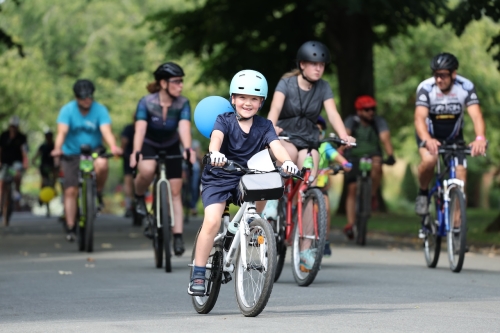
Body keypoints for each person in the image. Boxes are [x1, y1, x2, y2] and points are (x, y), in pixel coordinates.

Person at [188, 69, 298, 296]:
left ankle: (251, 233)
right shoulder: (224, 120)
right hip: (219, 176)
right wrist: (215, 153)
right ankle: (198, 272)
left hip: (247, 177)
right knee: (211, 221)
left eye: (254, 99)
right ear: (233, 99)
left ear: (261, 102)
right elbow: (216, 138)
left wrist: (287, 161)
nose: (247, 103)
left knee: (264, 189)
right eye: (242, 97)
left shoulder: (265, 126)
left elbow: (276, 147)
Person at [130, 62, 196, 256]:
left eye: (181, 81)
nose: (181, 85)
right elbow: (140, 128)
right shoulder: (146, 102)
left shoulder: (183, 102)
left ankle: (176, 236)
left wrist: (188, 149)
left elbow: (184, 128)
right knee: (148, 170)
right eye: (176, 81)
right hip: (149, 143)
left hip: (171, 144)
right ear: (163, 83)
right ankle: (139, 195)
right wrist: (136, 151)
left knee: (175, 191)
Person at [414, 53, 486, 223]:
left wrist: (480, 138)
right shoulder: (426, 88)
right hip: (428, 134)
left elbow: (476, 116)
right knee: (430, 160)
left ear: (454, 74)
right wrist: (427, 139)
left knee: (461, 176)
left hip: (453, 137)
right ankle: (423, 193)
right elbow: (419, 118)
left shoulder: (465, 87)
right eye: (436, 75)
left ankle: (457, 230)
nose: (439, 79)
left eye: (444, 75)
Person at [52, 79, 122, 241]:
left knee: (103, 163)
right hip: (72, 153)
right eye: (83, 97)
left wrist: (113, 147)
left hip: (94, 150)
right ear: (77, 97)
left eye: (89, 96)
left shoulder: (100, 110)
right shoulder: (67, 110)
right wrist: (57, 149)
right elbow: (62, 133)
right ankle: (70, 226)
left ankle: (97, 192)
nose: (87, 100)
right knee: (70, 190)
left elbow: (106, 131)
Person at [342, 95, 395, 239]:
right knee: (352, 189)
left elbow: (385, 138)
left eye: (373, 109)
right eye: (367, 109)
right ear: (359, 111)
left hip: (372, 154)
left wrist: (390, 155)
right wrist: (340, 153)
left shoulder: (378, 122)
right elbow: (345, 136)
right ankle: (351, 224)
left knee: (378, 164)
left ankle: (371, 195)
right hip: (354, 155)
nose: (371, 112)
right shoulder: (352, 121)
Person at [315, 116, 351, 256]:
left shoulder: (325, 146)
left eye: (319, 130)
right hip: (301, 184)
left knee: (326, 208)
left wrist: (345, 163)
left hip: (320, 185)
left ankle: (325, 240)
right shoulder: (302, 145)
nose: (316, 133)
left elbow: (336, 156)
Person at [0, 116, 28, 216]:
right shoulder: (4, 135)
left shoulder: (21, 137)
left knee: (17, 174)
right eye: (12, 126)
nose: (13, 128)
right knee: (2, 183)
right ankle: (0, 204)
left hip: (16, 163)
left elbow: (24, 151)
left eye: (15, 126)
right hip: (5, 163)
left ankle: (17, 192)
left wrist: (25, 162)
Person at [120, 117, 135, 217]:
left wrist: (122, 150)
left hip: (129, 157)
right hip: (142, 156)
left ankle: (129, 205)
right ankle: (132, 203)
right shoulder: (148, 127)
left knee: (128, 181)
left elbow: (124, 141)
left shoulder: (129, 128)